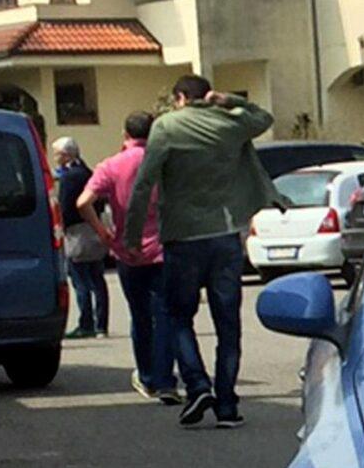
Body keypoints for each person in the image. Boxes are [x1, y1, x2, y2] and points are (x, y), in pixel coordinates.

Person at [123, 75, 279, 428]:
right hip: (224, 234)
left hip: (182, 237)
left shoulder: (165, 127)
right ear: (206, 96)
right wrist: (229, 102)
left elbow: (144, 182)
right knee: (228, 324)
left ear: (180, 97)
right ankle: (227, 405)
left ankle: (197, 384)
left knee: (178, 316)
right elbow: (264, 118)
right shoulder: (229, 123)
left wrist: (132, 236)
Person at [78, 112, 178, 405]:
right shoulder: (165, 162)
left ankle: (146, 376)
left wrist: (102, 231)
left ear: (125, 134)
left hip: (127, 250)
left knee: (140, 315)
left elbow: (83, 202)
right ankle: (166, 380)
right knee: (165, 315)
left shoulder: (111, 165)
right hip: (163, 247)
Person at [53, 137, 110, 339]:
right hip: (93, 228)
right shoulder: (88, 172)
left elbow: (66, 206)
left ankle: (86, 323)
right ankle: (101, 324)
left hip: (77, 232)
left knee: (80, 280)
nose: (55, 158)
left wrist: (62, 227)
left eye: (57, 154)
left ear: (66, 155)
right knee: (98, 279)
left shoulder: (69, 178)